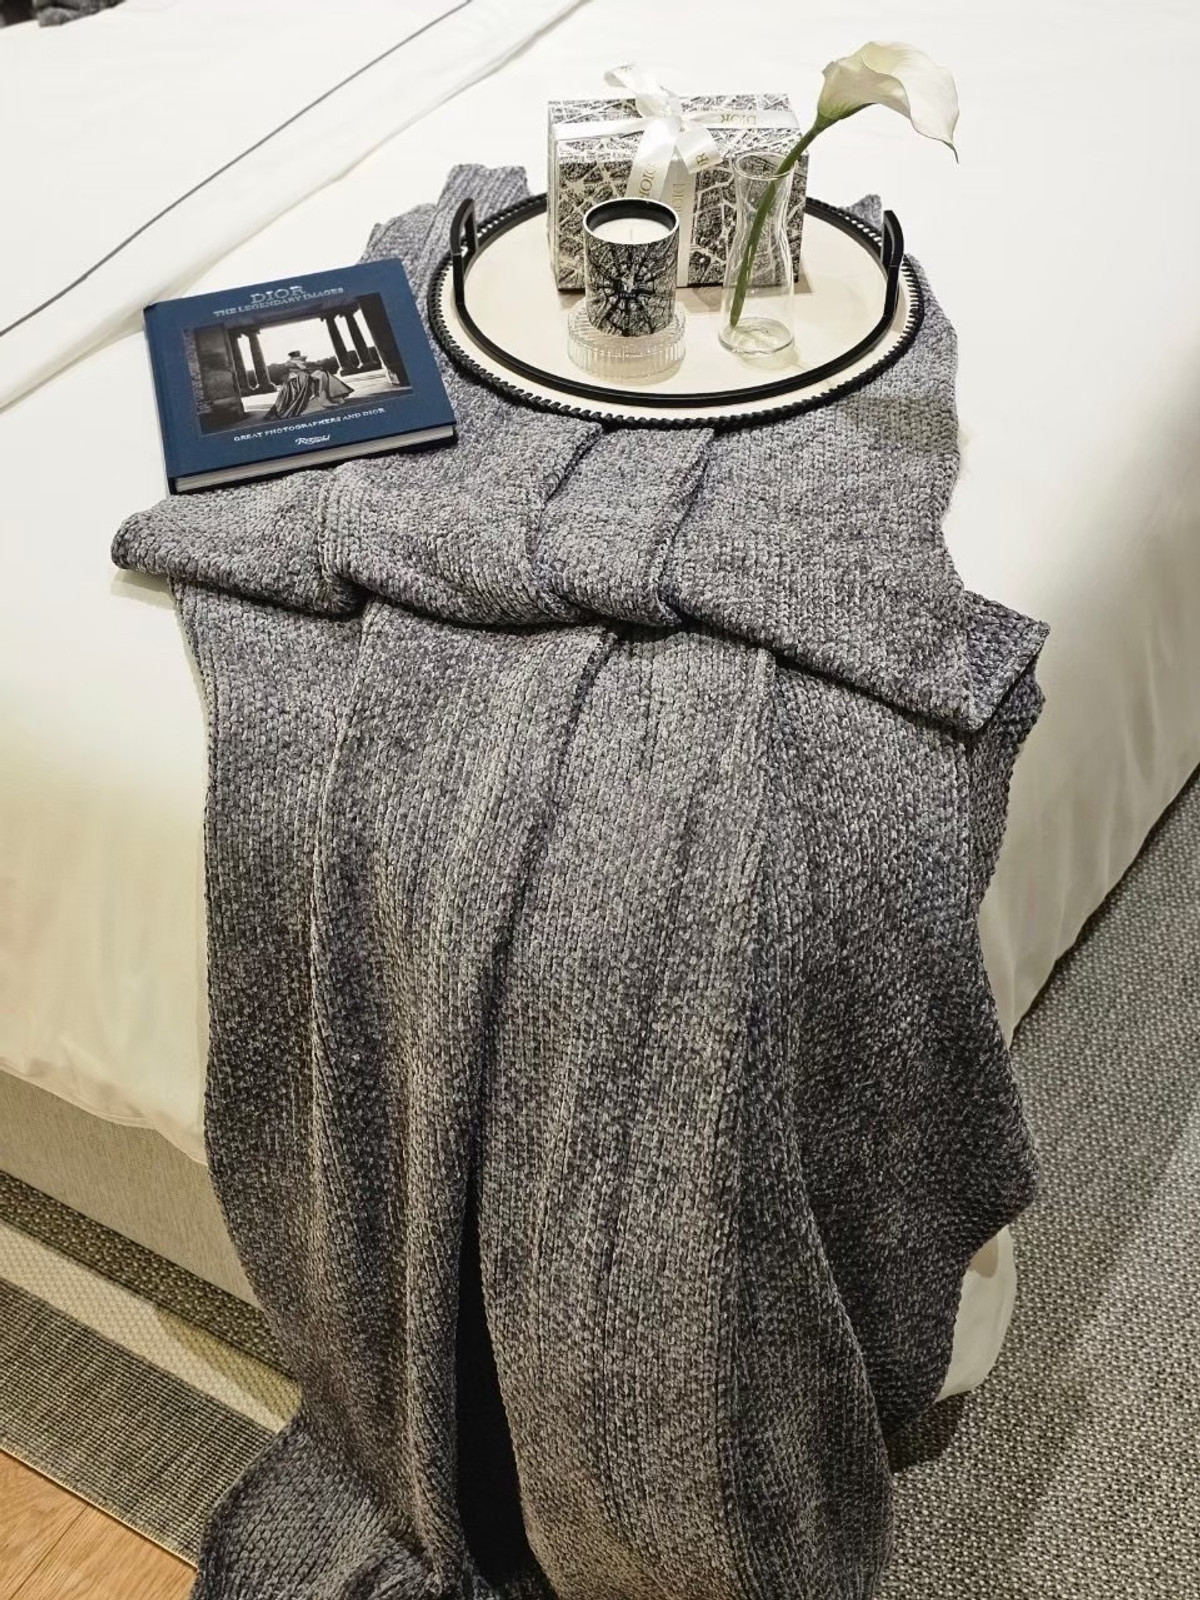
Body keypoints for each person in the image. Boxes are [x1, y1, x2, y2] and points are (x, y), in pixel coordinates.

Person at [265, 352, 353, 419]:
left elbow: (304, 369)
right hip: (300, 378)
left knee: (322, 374)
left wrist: (313, 369)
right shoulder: (294, 362)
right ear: (295, 356)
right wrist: (314, 369)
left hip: (299, 376)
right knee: (322, 375)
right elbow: (303, 369)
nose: (299, 356)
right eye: (298, 355)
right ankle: (328, 396)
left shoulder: (291, 362)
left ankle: (330, 395)